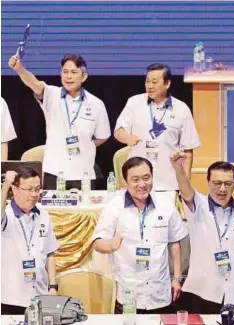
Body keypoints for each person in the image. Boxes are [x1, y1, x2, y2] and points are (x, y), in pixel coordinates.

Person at [91, 157, 188, 313]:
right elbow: (97, 242)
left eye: (146, 178)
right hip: (129, 296)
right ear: (125, 182)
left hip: (161, 294)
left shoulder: (166, 205)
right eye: (135, 179)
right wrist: (110, 246)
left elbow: (174, 243)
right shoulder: (114, 207)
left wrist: (177, 278)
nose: (142, 184)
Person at [170, 151, 234, 314]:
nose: (222, 189)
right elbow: (186, 190)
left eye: (228, 183)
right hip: (201, 293)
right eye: (217, 183)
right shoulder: (198, 206)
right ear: (208, 182)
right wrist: (178, 168)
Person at [8, 54, 111, 190]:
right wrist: (20, 69)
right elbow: (34, 83)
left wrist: (85, 143)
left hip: (83, 173)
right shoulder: (52, 94)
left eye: (74, 72)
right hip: (54, 172)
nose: (69, 76)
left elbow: (103, 136)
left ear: (84, 76)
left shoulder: (96, 104)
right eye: (65, 72)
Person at [114, 63, 200, 191]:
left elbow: (187, 150)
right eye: (147, 81)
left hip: (169, 183)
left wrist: (185, 184)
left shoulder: (181, 109)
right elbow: (118, 131)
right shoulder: (134, 103)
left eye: (154, 82)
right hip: (138, 182)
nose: (150, 86)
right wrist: (127, 138)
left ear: (167, 84)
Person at [1, 167, 59, 315]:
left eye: (37, 189)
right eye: (29, 189)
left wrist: (53, 286)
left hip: (40, 296)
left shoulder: (43, 215)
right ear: (15, 189)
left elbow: (50, 253)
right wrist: (5, 186)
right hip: (11, 299)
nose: (34, 194)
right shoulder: (7, 216)